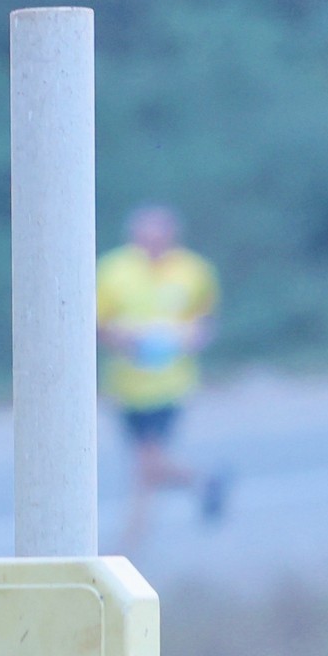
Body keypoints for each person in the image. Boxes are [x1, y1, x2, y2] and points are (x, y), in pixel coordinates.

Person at [96, 203, 225, 552]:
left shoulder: (194, 271)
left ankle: (130, 543)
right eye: (144, 238)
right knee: (146, 466)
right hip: (126, 383)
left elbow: (205, 321)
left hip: (170, 384)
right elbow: (97, 322)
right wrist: (123, 338)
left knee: (147, 462)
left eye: (158, 238)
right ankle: (205, 481)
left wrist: (189, 337)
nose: (151, 245)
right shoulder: (112, 270)